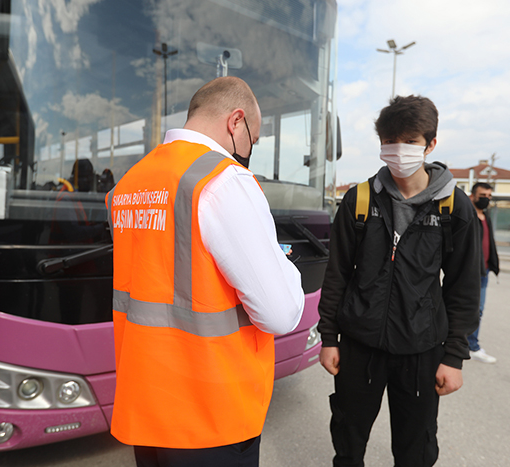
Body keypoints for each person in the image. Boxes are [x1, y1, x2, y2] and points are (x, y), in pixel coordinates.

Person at [106, 77, 304, 467]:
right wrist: (282, 263)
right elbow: (280, 314)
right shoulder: (223, 181)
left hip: (148, 408)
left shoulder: (129, 184)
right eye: (253, 140)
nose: (249, 151)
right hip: (212, 417)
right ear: (236, 121)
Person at [318, 95, 481, 467]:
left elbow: (463, 288)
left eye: (410, 141)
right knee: (347, 441)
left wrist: (454, 357)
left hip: (422, 349)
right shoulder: (358, 200)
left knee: (416, 450)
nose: (399, 150)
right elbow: (337, 273)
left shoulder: (454, 207)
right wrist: (329, 338)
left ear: (430, 144)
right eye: (390, 141)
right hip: (359, 345)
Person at [468, 182, 500, 363]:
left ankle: (469, 344)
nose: (486, 199)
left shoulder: (486, 217)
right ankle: (471, 346)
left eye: (489, 196)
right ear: (472, 196)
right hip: (470, 270)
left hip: (484, 270)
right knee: (470, 309)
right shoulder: (468, 216)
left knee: (478, 310)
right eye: (482, 196)